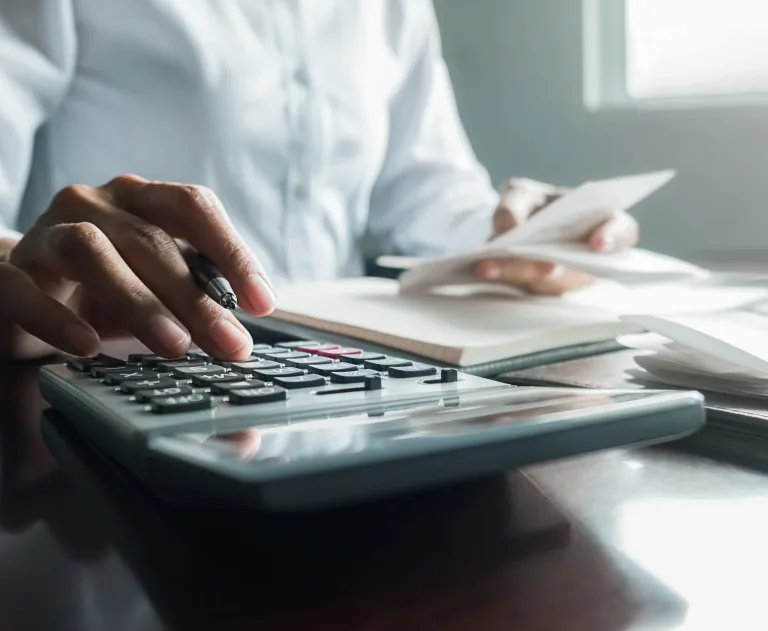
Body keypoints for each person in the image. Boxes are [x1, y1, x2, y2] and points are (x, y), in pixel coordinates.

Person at [0, 0, 638, 361]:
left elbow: (423, 195)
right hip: (116, 364)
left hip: (333, 374)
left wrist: (529, 237)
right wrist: (28, 271)